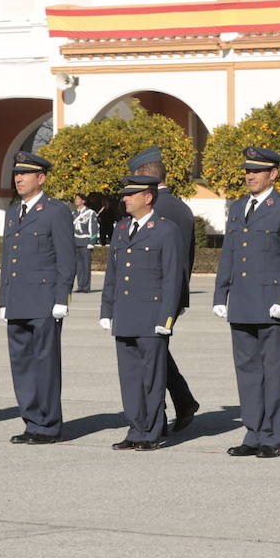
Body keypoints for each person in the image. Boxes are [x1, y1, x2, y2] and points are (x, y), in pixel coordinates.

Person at [212, 146, 280, 458]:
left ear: (273, 174)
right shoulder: (238, 208)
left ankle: (273, 436)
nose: (250, 175)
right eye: (247, 171)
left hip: (271, 304)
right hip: (241, 301)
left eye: (257, 171)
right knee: (248, 372)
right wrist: (220, 294)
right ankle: (253, 432)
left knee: (274, 372)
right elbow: (229, 253)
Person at [99, 175, 186, 450]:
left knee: (152, 378)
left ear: (147, 198)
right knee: (130, 378)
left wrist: (166, 318)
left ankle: (151, 431)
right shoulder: (122, 228)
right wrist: (107, 309)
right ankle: (135, 428)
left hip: (151, 316)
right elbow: (113, 272)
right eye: (124, 194)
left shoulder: (166, 230)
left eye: (131, 194)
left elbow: (173, 277)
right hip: (125, 314)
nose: (124, 198)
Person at [0, 150, 76, 445]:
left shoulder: (55, 211)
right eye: (16, 174)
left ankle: (48, 425)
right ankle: (31, 421)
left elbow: (66, 259)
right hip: (18, 299)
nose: (18, 179)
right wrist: (3, 299)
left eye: (25, 174)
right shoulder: (12, 212)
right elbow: (9, 259)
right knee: (21, 364)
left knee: (44, 364)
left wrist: (62, 298)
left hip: (44, 301)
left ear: (41, 178)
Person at [128, 145, 200, 431]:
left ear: (145, 176)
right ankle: (183, 402)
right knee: (156, 351)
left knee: (150, 356)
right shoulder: (181, 206)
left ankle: (156, 417)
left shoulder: (155, 208)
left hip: (152, 295)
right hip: (172, 293)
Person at [72, 193, 97, 292]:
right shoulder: (73, 213)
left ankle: (86, 287)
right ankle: (80, 285)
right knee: (79, 266)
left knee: (86, 265)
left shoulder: (90, 213)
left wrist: (92, 241)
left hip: (86, 242)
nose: (76, 200)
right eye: (76, 199)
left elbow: (93, 228)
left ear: (83, 201)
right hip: (76, 242)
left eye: (78, 199)